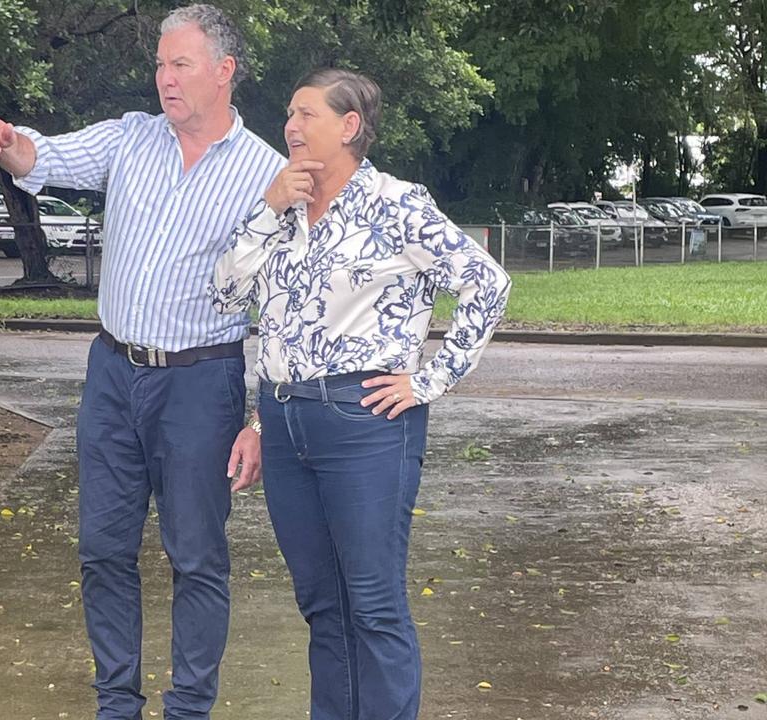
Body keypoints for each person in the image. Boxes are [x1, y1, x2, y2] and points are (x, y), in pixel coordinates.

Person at [0, 5, 284, 719]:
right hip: (112, 376)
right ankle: (117, 702)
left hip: (203, 383)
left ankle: (188, 708)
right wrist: (6, 143)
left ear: (224, 72)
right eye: (160, 65)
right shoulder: (131, 139)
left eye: (181, 65)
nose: (165, 79)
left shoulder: (268, 174)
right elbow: (43, 157)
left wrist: (261, 418)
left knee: (197, 556)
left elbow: (286, 307)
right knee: (103, 549)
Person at [210, 68, 511, 720]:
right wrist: (266, 211)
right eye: (289, 114)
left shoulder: (399, 205)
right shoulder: (281, 214)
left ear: (349, 126)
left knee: (372, 605)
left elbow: (487, 285)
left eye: (306, 114)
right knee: (322, 604)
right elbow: (228, 294)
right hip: (286, 424)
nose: (291, 126)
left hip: (365, 421)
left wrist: (429, 380)